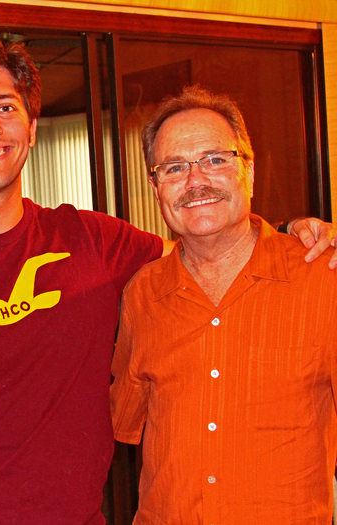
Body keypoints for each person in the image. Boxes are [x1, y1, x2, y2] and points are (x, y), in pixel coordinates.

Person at [0, 37, 334, 525]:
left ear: (31, 129)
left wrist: (293, 233)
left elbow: (206, 243)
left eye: (5, 106)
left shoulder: (92, 240)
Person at [110, 85, 337, 524]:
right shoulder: (141, 294)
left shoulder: (322, 279)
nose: (196, 181)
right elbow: (126, 420)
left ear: (248, 171)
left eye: (215, 160)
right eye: (175, 168)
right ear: (155, 188)